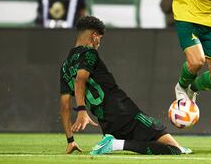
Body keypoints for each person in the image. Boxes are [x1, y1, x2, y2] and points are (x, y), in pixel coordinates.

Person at [60, 16, 192, 155]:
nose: (99, 43)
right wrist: (81, 109)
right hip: (123, 111)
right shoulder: (89, 53)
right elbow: (80, 79)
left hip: (106, 122)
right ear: (94, 36)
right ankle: (115, 144)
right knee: (174, 149)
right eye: (100, 38)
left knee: (148, 145)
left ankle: (116, 143)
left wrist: (70, 140)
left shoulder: (65, 67)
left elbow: (64, 106)